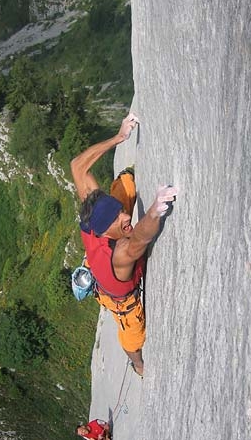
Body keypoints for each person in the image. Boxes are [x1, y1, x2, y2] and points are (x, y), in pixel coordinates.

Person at [70, 113, 178, 377]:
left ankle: (123, 183)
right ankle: (137, 364)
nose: (126, 216)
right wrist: (154, 210)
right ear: (106, 231)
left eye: (120, 211)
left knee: (126, 184)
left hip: (103, 248)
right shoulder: (119, 256)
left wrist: (120, 137)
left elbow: (77, 166)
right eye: (119, 219)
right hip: (122, 300)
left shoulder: (91, 218)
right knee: (133, 338)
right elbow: (139, 238)